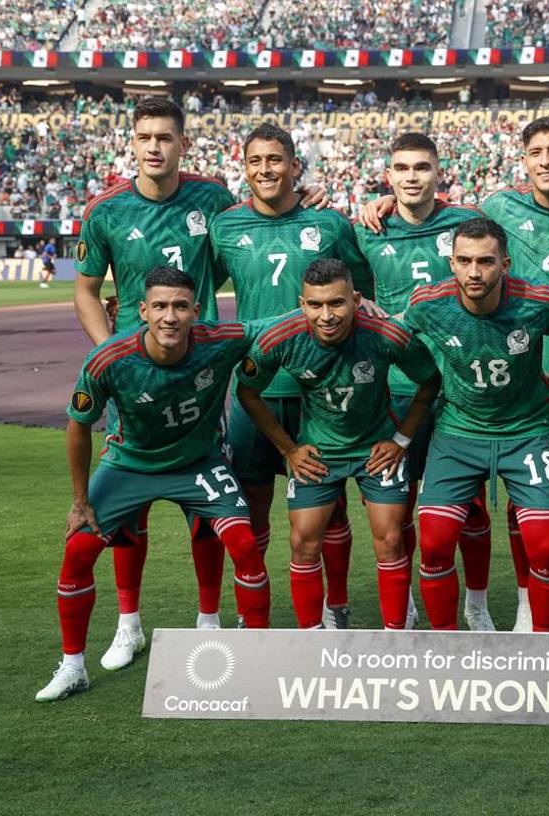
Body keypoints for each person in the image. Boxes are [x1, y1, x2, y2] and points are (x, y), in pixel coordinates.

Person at [35, 268, 270, 702]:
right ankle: (73, 667)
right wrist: (80, 501)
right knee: (78, 549)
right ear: (142, 311)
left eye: (180, 306)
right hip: (130, 465)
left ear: (196, 311)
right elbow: (78, 426)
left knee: (244, 543)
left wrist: (358, 303)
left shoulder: (220, 340)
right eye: (160, 306)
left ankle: (256, 660)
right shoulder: (109, 359)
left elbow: (283, 322)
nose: (170, 316)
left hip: (199, 463)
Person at [209, 122, 371, 630]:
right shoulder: (224, 227)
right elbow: (195, 286)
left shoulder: (329, 223)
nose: (266, 170)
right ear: (244, 168)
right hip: (254, 389)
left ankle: (336, 605)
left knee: (331, 506)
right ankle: (252, 616)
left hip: (320, 390)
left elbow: (363, 289)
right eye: (256, 161)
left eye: (275, 160)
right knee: (252, 505)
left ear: (295, 165)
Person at [236, 259, 440, 630]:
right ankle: (312, 638)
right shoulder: (280, 338)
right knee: (302, 542)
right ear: (302, 303)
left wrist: (401, 439)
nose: (326, 315)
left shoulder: (387, 334)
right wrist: (287, 449)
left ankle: (395, 638)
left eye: (337, 303)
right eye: (315, 305)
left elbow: (430, 381)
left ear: (356, 299)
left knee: (391, 539)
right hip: (318, 452)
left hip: (376, 450)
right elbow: (247, 392)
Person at [404, 218, 549, 632]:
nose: (474, 272)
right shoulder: (428, 303)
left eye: (485, 261)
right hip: (457, 432)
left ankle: (544, 646)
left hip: (528, 432)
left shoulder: (538, 300)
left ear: (505, 263)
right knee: (434, 543)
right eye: (464, 261)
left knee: (545, 547)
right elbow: (388, 334)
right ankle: (447, 645)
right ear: (451, 263)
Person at [351, 132, 498, 630]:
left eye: (421, 167)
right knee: (403, 504)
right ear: (387, 176)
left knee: (471, 507)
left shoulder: (467, 223)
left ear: (439, 173)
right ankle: (409, 599)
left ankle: (476, 605)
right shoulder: (367, 229)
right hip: (397, 387)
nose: (411, 177)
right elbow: (353, 295)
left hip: (459, 386)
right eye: (402, 168)